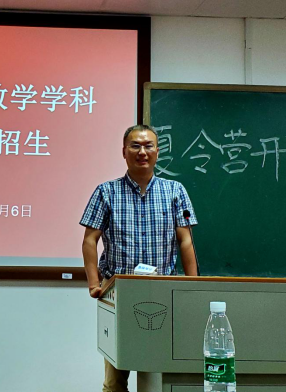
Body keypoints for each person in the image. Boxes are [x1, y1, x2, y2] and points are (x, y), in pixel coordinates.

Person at [80, 124, 198, 392]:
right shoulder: (106, 191)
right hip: (119, 292)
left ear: (157, 151)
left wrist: (194, 286)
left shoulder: (175, 190)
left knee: (158, 375)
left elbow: (186, 240)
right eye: (135, 146)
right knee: (114, 381)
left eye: (148, 146)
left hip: (164, 292)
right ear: (124, 152)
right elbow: (89, 240)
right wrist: (94, 284)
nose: (142, 152)